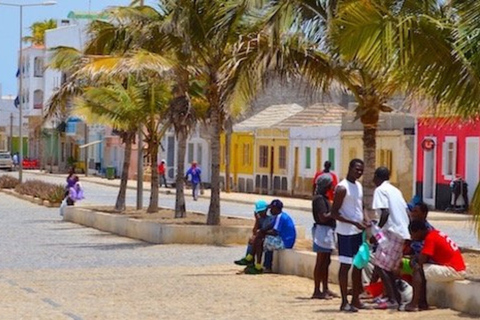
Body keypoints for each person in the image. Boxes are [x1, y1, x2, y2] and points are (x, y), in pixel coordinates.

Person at [330, 158, 368, 312]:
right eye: (356, 169)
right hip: (345, 233)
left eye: (361, 170)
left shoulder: (358, 186)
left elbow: (361, 206)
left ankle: (356, 299)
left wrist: (366, 219)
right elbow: (334, 213)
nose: (358, 172)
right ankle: (344, 301)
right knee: (345, 265)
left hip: (358, 232)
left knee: (358, 265)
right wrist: (353, 222)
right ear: (350, 168)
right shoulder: (342, 188)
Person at [371, 167, 411, 309]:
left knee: (380, 266)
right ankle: (393, 297)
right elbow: (407, 212)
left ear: (376, 176)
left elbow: (385, 212)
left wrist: (377, 232)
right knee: (389, 268)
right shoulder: (396, 190)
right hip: (402, 232)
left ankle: (393, 300)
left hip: (391, 232)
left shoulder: (380, 190)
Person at [404, 220, 466, 312]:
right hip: (458, 268)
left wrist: (413, 260)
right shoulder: (435, 233)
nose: (412, 237)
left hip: (454, 270)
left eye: (412, 234)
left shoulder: (430, 238)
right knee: (422, 268)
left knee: (418, 269)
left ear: (419, 231)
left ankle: (414, 304)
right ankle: (422, 302)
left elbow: (421, 261)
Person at [245, 199, 296, 274]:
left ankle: (256, 263)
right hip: (283, 239)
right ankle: (263, 265)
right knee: (260, 238)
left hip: (285, 242)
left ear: (276, 209)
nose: (270, 210)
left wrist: (262, 233)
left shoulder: (280, 217)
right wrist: (261, 231)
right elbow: (268, 227)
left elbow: (274, 232)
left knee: (261, 241)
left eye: (271, 208)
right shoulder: (278, 216)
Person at [311, 173, 339, 299]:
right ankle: (317, 290)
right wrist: (334, 212)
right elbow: (323, 217)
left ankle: (325, 288)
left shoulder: (324, 198)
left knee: (326, 261)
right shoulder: (319, 199)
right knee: (321, 261)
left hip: (327, 231)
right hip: (322, 232)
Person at [234, 200, 274, 271]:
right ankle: (250, 262)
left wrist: (256, 236)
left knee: (256, 241)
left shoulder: (269, 218)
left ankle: (250, 259)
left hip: (268, 236)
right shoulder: (260, 218)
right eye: (259, 212)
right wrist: (257, 220)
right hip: (261, 236)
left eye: (261, 211)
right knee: (252, 241)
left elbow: (263, 230)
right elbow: (255, 231)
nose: (260, 213)